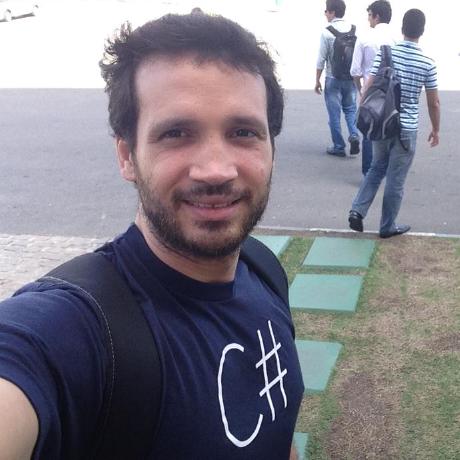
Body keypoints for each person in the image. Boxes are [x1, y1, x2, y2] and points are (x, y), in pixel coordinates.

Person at [0, 13, 304, 459]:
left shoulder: (263, 270)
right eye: (176, 133)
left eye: (243, 132)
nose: (216, 170)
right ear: (127, 155)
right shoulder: (78, 330)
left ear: (271, 148)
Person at [348, 9, 440, 238]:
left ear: (402, 28)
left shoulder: (386, 53)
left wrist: (364, 110)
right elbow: (434, 103)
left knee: (376, 167)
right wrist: (435, 129)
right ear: (422, 31)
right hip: (406, 129)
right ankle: (387, 226)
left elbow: (369, 84)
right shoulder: (427, 63)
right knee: (395, 179)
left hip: (382, 122)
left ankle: (357, 210)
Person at [350, 0, 395, 175]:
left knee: (369, 130)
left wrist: (360, 89)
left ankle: (369, 172)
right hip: (392, 91)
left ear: (377, 16)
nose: (368, 19)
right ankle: (385, 168)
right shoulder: (397, 39)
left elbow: (355, 71)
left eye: (369, 15)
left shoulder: (364, 38)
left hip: (370, 91)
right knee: (390, 128)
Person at [315, 0, 360, 157]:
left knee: (334, 115)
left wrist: (317, 80)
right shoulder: (354, 30)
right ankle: (354, 134)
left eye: (326, 11)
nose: (325, 14)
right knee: (350, 110)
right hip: (350, 78)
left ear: (332, 12)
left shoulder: (327, 32)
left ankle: (339, 146)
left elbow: (321, 59)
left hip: (332, 78)